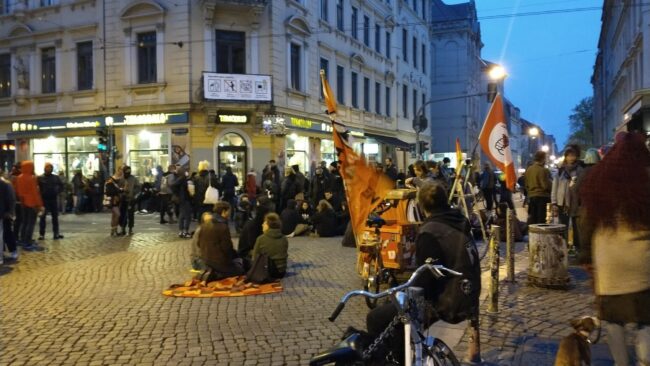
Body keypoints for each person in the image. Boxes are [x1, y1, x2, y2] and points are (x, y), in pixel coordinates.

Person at [366, 181, 480, 361]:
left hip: (447, 302)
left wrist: (401, 293)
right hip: (468, 292)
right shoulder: (459, 220)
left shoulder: (430, 231)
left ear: (421, 206)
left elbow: (424, 282)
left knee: (376, 317)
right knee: (393, 306)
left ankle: (401, 358)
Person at [578, 132, 650, 366]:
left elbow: (586, 222)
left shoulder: (600, 180)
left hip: (608, 261)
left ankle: (621, 363)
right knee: (644, 321)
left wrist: (587, 256)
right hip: (642, 261)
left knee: (612, 321)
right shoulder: (646, 179)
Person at [196, 201, 244, 280]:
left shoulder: (205, 225)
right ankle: (218, 274)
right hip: (219, 262)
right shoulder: (222, 227)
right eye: (228, 211)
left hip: (206, 260)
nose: (229, 214)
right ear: (224, 212)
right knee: (240, 269)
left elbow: (198, 243)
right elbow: (227, 248)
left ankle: (214, 271)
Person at [551, 145, 585, 251]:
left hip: (575, 202)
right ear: (565, 157)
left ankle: (576, 247)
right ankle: (563, 246)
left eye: (573, 155)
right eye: (569, 156)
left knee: (576, 226)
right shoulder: (560, 171)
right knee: (563, 225)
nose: (571, 158)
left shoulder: (580, 170)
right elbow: (554, 187)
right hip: (563, 203)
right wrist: (554, 203)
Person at [15, 161, 44, 250]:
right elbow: (35, 192)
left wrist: (22, 200)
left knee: (25, 222)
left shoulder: (19, 177)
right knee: (31, 223)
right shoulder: (32, 178)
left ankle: (23, 240)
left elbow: (18, 191)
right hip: (32, 203)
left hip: (23, 203)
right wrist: (40, 205)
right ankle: (27, 242)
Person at [252, 212, 289, 279]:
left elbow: (254, 258)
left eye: (264, 223)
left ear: (269, 225)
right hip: (281, 271)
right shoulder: (284, 238)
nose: (262, 224)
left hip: (267, 271)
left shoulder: (261, 239)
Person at [37, 163, 64, 240]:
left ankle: (56, 233)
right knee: (42, 217)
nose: (48, 169)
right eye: (47, 168)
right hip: (44, 200)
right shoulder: (40, 178)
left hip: (53, 199)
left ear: (52, 169)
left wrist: (57, 191)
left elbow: (61, 186)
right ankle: (42, 234)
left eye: (50, 168)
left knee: (55, 217)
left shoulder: (55, 177)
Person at [525, 151, 552, 224]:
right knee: (541, 220)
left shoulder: (529, 169)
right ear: (543, 159)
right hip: (542, 197)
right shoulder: (543, 170)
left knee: (533, 219)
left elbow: (526, 184)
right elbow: (545, 185)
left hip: (532, 196)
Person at [117, 166, 140, 236]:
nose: (128, 173)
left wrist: (133, 193)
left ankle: (130, 229)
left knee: (130, 215)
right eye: (126, 172)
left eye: (129, 172)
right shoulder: (121, 179)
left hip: (130, 199)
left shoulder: (133, 178)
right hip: (123, 199)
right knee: (123, 214)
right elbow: (118, 188)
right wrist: (121, 193)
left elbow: (138, 187)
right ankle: (123, 228)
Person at [0, 173, 18, 260]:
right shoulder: (6, 184)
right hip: (4, 212)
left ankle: (13, 250)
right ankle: (2, 251)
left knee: (7, 232)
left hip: (5, 213)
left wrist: (10, 212)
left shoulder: (6, 184)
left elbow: (11, 199)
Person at [172, 166, 193, 239]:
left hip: (182, 199)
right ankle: (185, 231)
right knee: (187, 216)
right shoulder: (182, 178)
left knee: (182, 215)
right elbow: (173, 186)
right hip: (185, 199)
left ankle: (181, 231)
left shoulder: (178, 178)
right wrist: (179, 194)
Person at [105, 169, 125, 236]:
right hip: (113, 200)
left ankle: (113, 231)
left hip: (116, 200)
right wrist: (117, 192)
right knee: (117, 214)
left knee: (114, 215)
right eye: (120, 172)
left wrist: (121, 190)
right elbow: (109, 191)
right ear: (116, 172)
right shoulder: (111, 181)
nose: (121, 174)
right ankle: (114, 230)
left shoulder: (116, 181)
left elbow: (118, 190)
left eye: (121, 173)